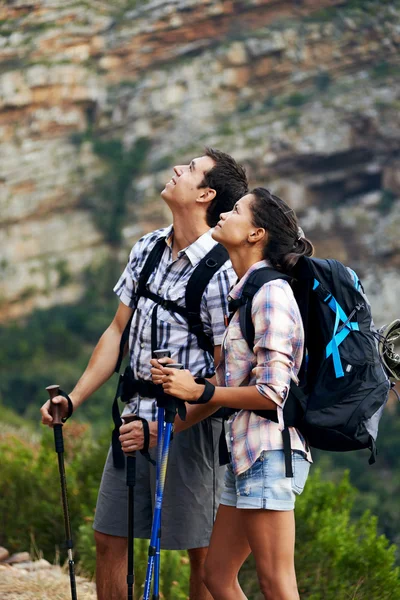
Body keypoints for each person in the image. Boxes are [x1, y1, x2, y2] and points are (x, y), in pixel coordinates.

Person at [40, 148, 248, 600]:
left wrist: (166, 427)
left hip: (190, 429)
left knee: (204, 555)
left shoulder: (220, 271)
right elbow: (117, 331)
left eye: (190, 169)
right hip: (132, 420)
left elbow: (226, 373)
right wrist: (73, 399)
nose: (177, 169)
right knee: (109, 538)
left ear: (206, 194)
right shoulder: (148, 247)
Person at [151, 187, 313, 600]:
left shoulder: (271, 293)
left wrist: (202, 390)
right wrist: (184, 384)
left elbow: (273, 392)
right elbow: (234, 383)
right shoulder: (245, 292)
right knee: (217, 575)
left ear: (256, 233)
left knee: (277, 582)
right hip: (244, 456)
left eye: (237, 209)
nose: (225, 212)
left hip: (270, 454)